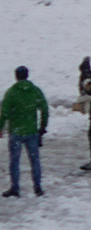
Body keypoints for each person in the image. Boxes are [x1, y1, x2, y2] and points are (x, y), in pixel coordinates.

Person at [3, 65, 48, 199]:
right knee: (34, 159)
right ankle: (38, 187)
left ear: (16, 76)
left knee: (15, 161)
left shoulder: (11, 92)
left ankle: (15, 187)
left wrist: (0, 128)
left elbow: (4, 112)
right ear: (27, 75)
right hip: (32, 130)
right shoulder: (35, 91)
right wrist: (42, 127)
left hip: (16, 131)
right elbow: (45, 109)